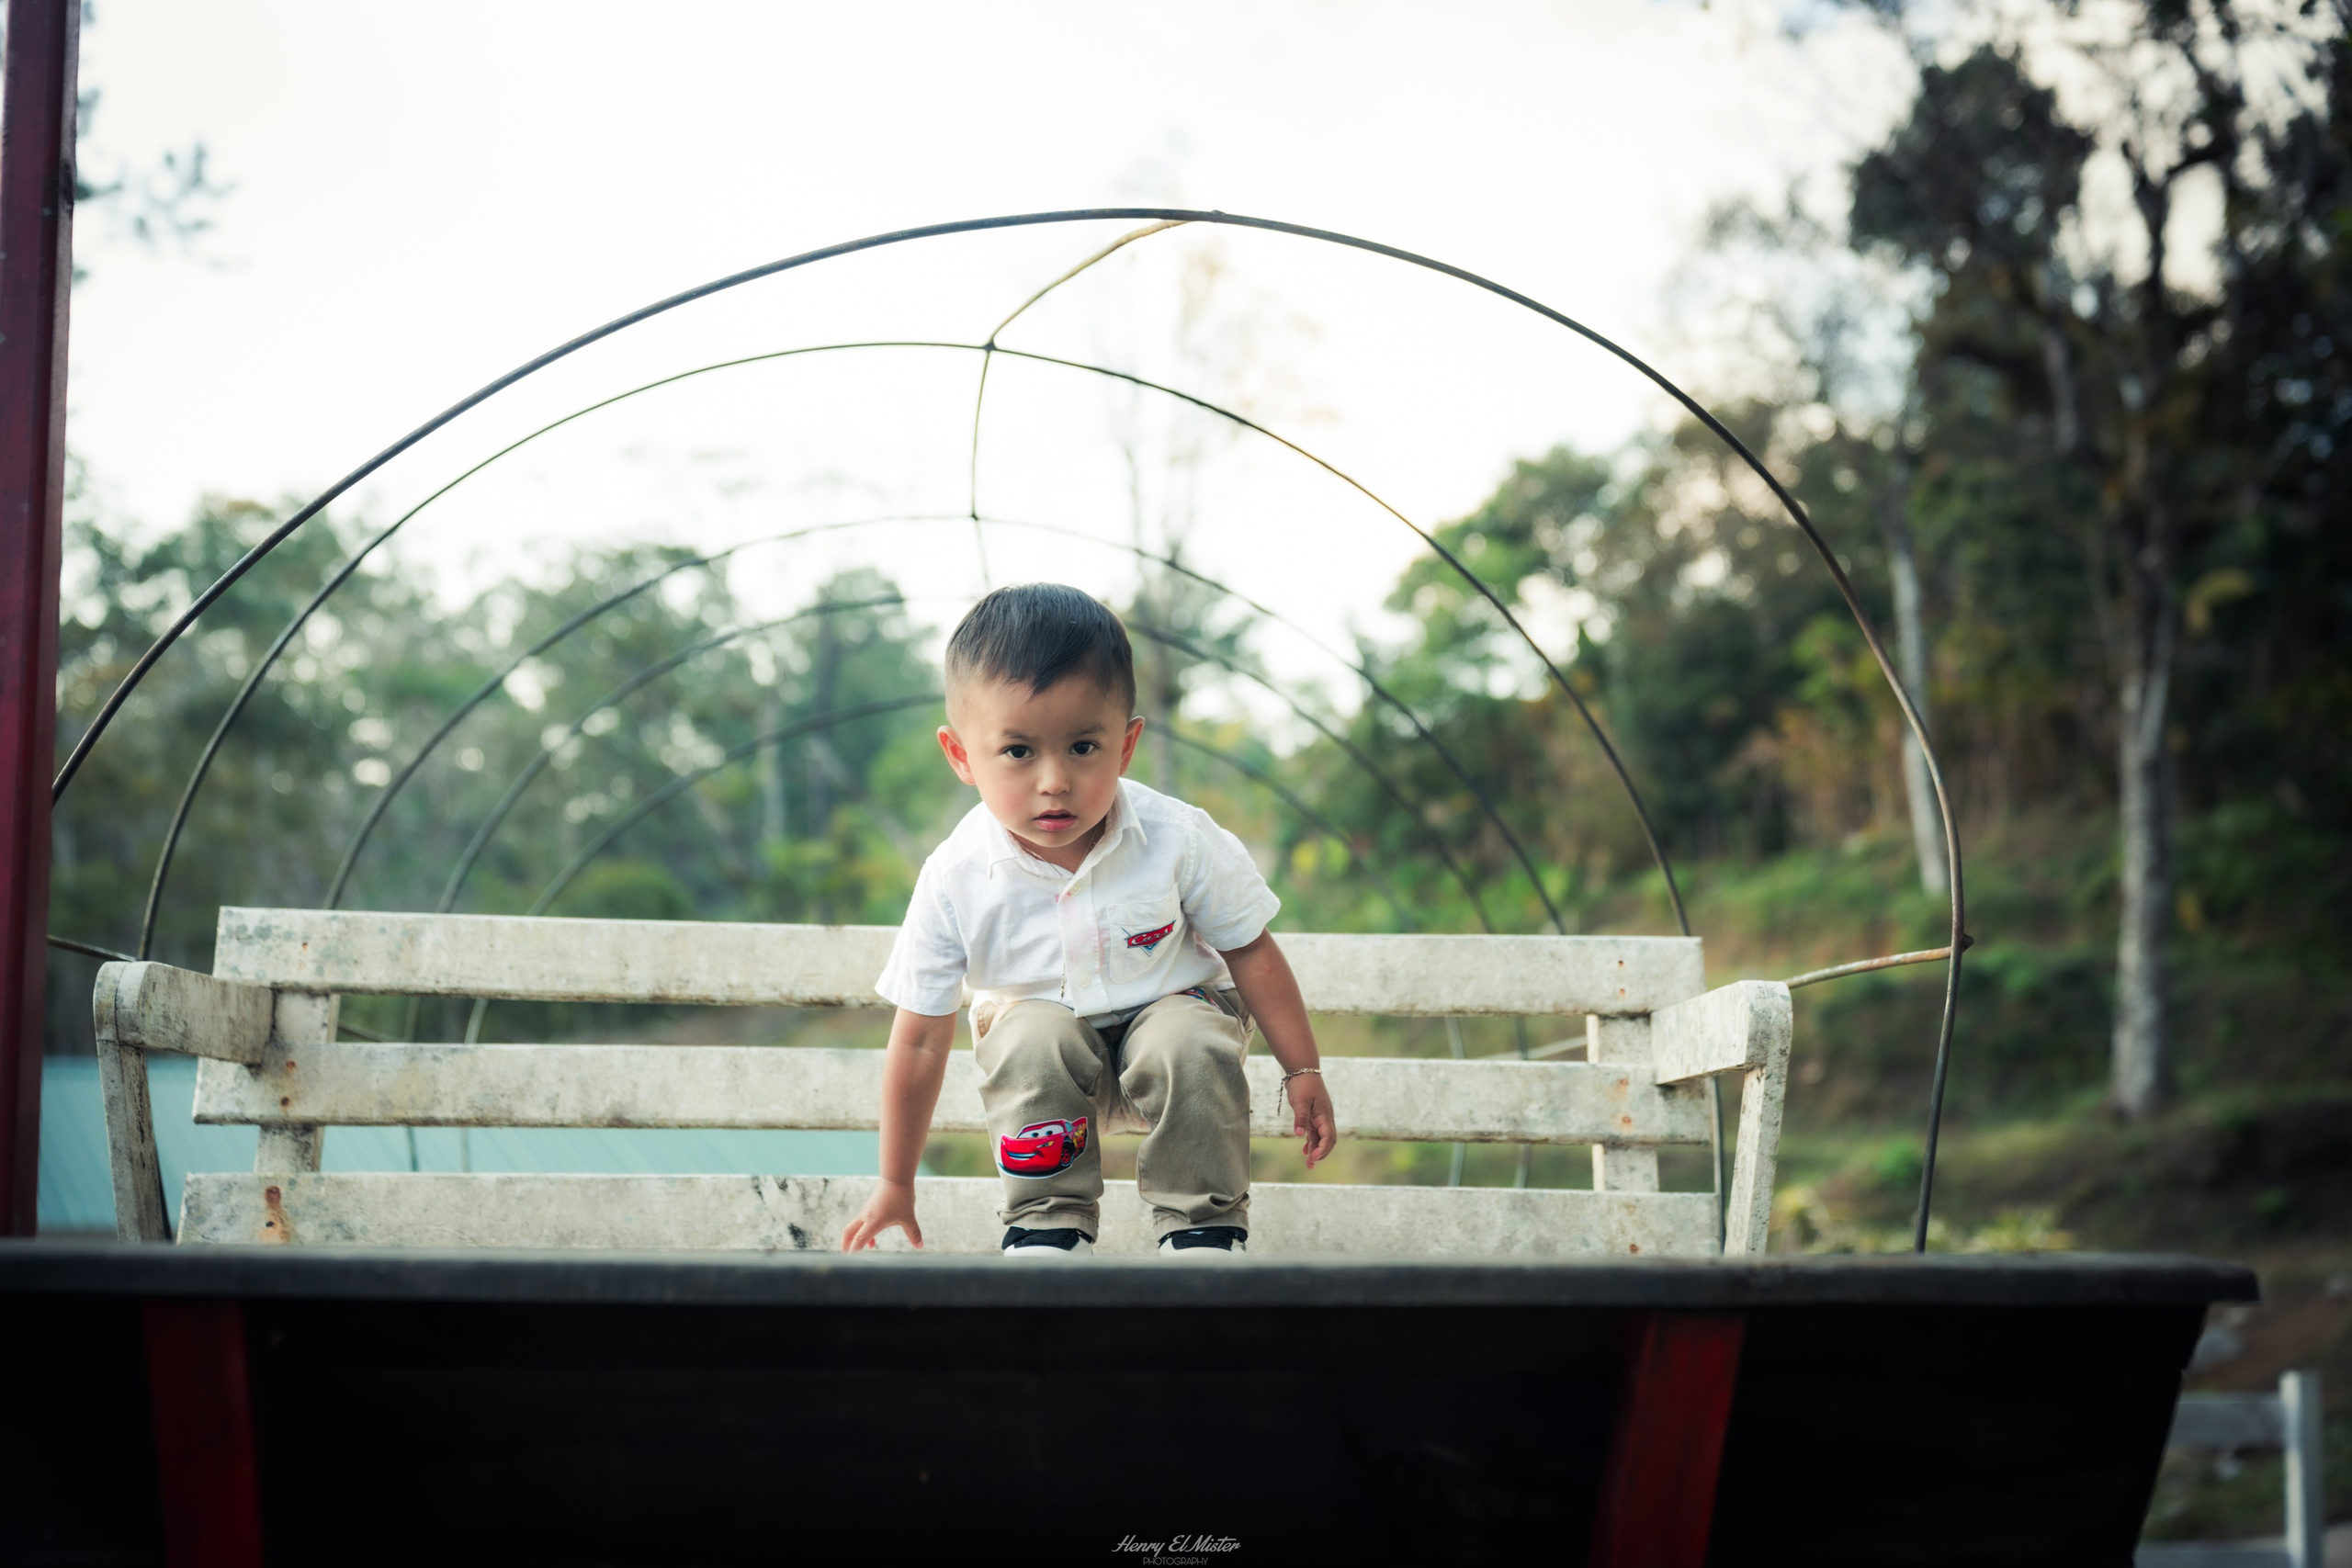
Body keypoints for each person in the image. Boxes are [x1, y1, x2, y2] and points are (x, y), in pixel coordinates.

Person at [839, 582, 1339, 1258]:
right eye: (1018, 751)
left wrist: (1301, 1069)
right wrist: (896, 1180)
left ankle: (1203, 1229)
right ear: (962, 756)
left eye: (1082, 747)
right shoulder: (956, 877)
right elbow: (921, 1040)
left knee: (1187, 1034)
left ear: (1125, 745)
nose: (1054, 780)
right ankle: (1047, 1227)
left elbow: (1250, 950)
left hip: (1170, 1038)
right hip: (1046, 1065)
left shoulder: (1176, 838)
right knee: (1030, 1033)